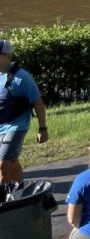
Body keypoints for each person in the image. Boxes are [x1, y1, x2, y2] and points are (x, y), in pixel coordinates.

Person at [0, 38, 48, 182]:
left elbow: (38, 103)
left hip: (17, 126)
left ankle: (3, 202)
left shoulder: (22, 77)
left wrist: (42, 128)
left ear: (7, 56)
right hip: (1, 126)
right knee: (12, 164)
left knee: (3, 165)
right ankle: (21, 193)